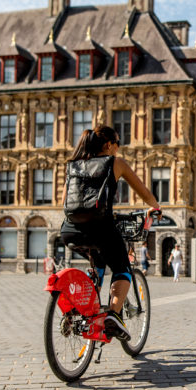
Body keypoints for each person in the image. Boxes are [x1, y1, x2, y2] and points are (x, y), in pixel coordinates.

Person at [60, 126, 159, 341]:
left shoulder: (72, 165)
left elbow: (64, 202)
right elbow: (144, 193)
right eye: (117, 144)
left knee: (97, 263)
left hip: (70, 231)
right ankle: (113, 315)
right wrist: (155, 207)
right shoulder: (116, 163)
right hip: (101, 229)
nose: (118, 149)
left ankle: (78, 310)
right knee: (122, 267)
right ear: (108, 145)